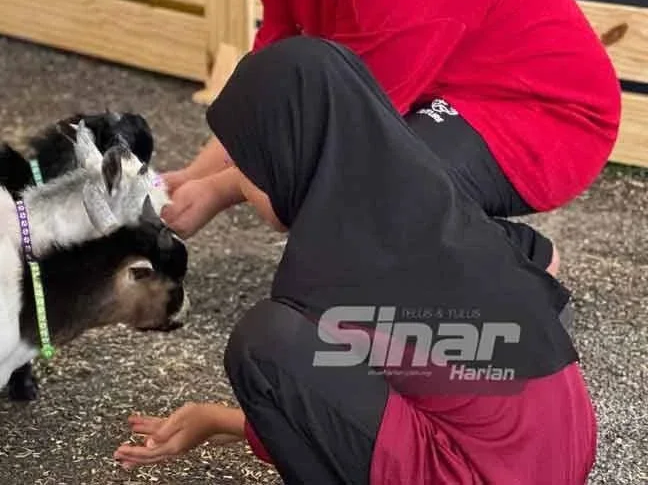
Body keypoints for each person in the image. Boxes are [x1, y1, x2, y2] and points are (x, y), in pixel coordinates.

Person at [159, 0, 622, 282]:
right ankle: (446, 233)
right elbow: (271, 76)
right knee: (331, 201)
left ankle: (518, 258)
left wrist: (220, 190)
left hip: (545, 117)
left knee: (345, 204)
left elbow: (332, 150)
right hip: (448, 87)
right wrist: (193, 174)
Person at [114, 37, 597, 483]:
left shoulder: (330, 275)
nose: (246, 182)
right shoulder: (433, 210)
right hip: (560, 457)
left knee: (265, 345)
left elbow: (321, 410)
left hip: (482, 473)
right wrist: (218, 420)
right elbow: (373, 401)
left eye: (254, 165)